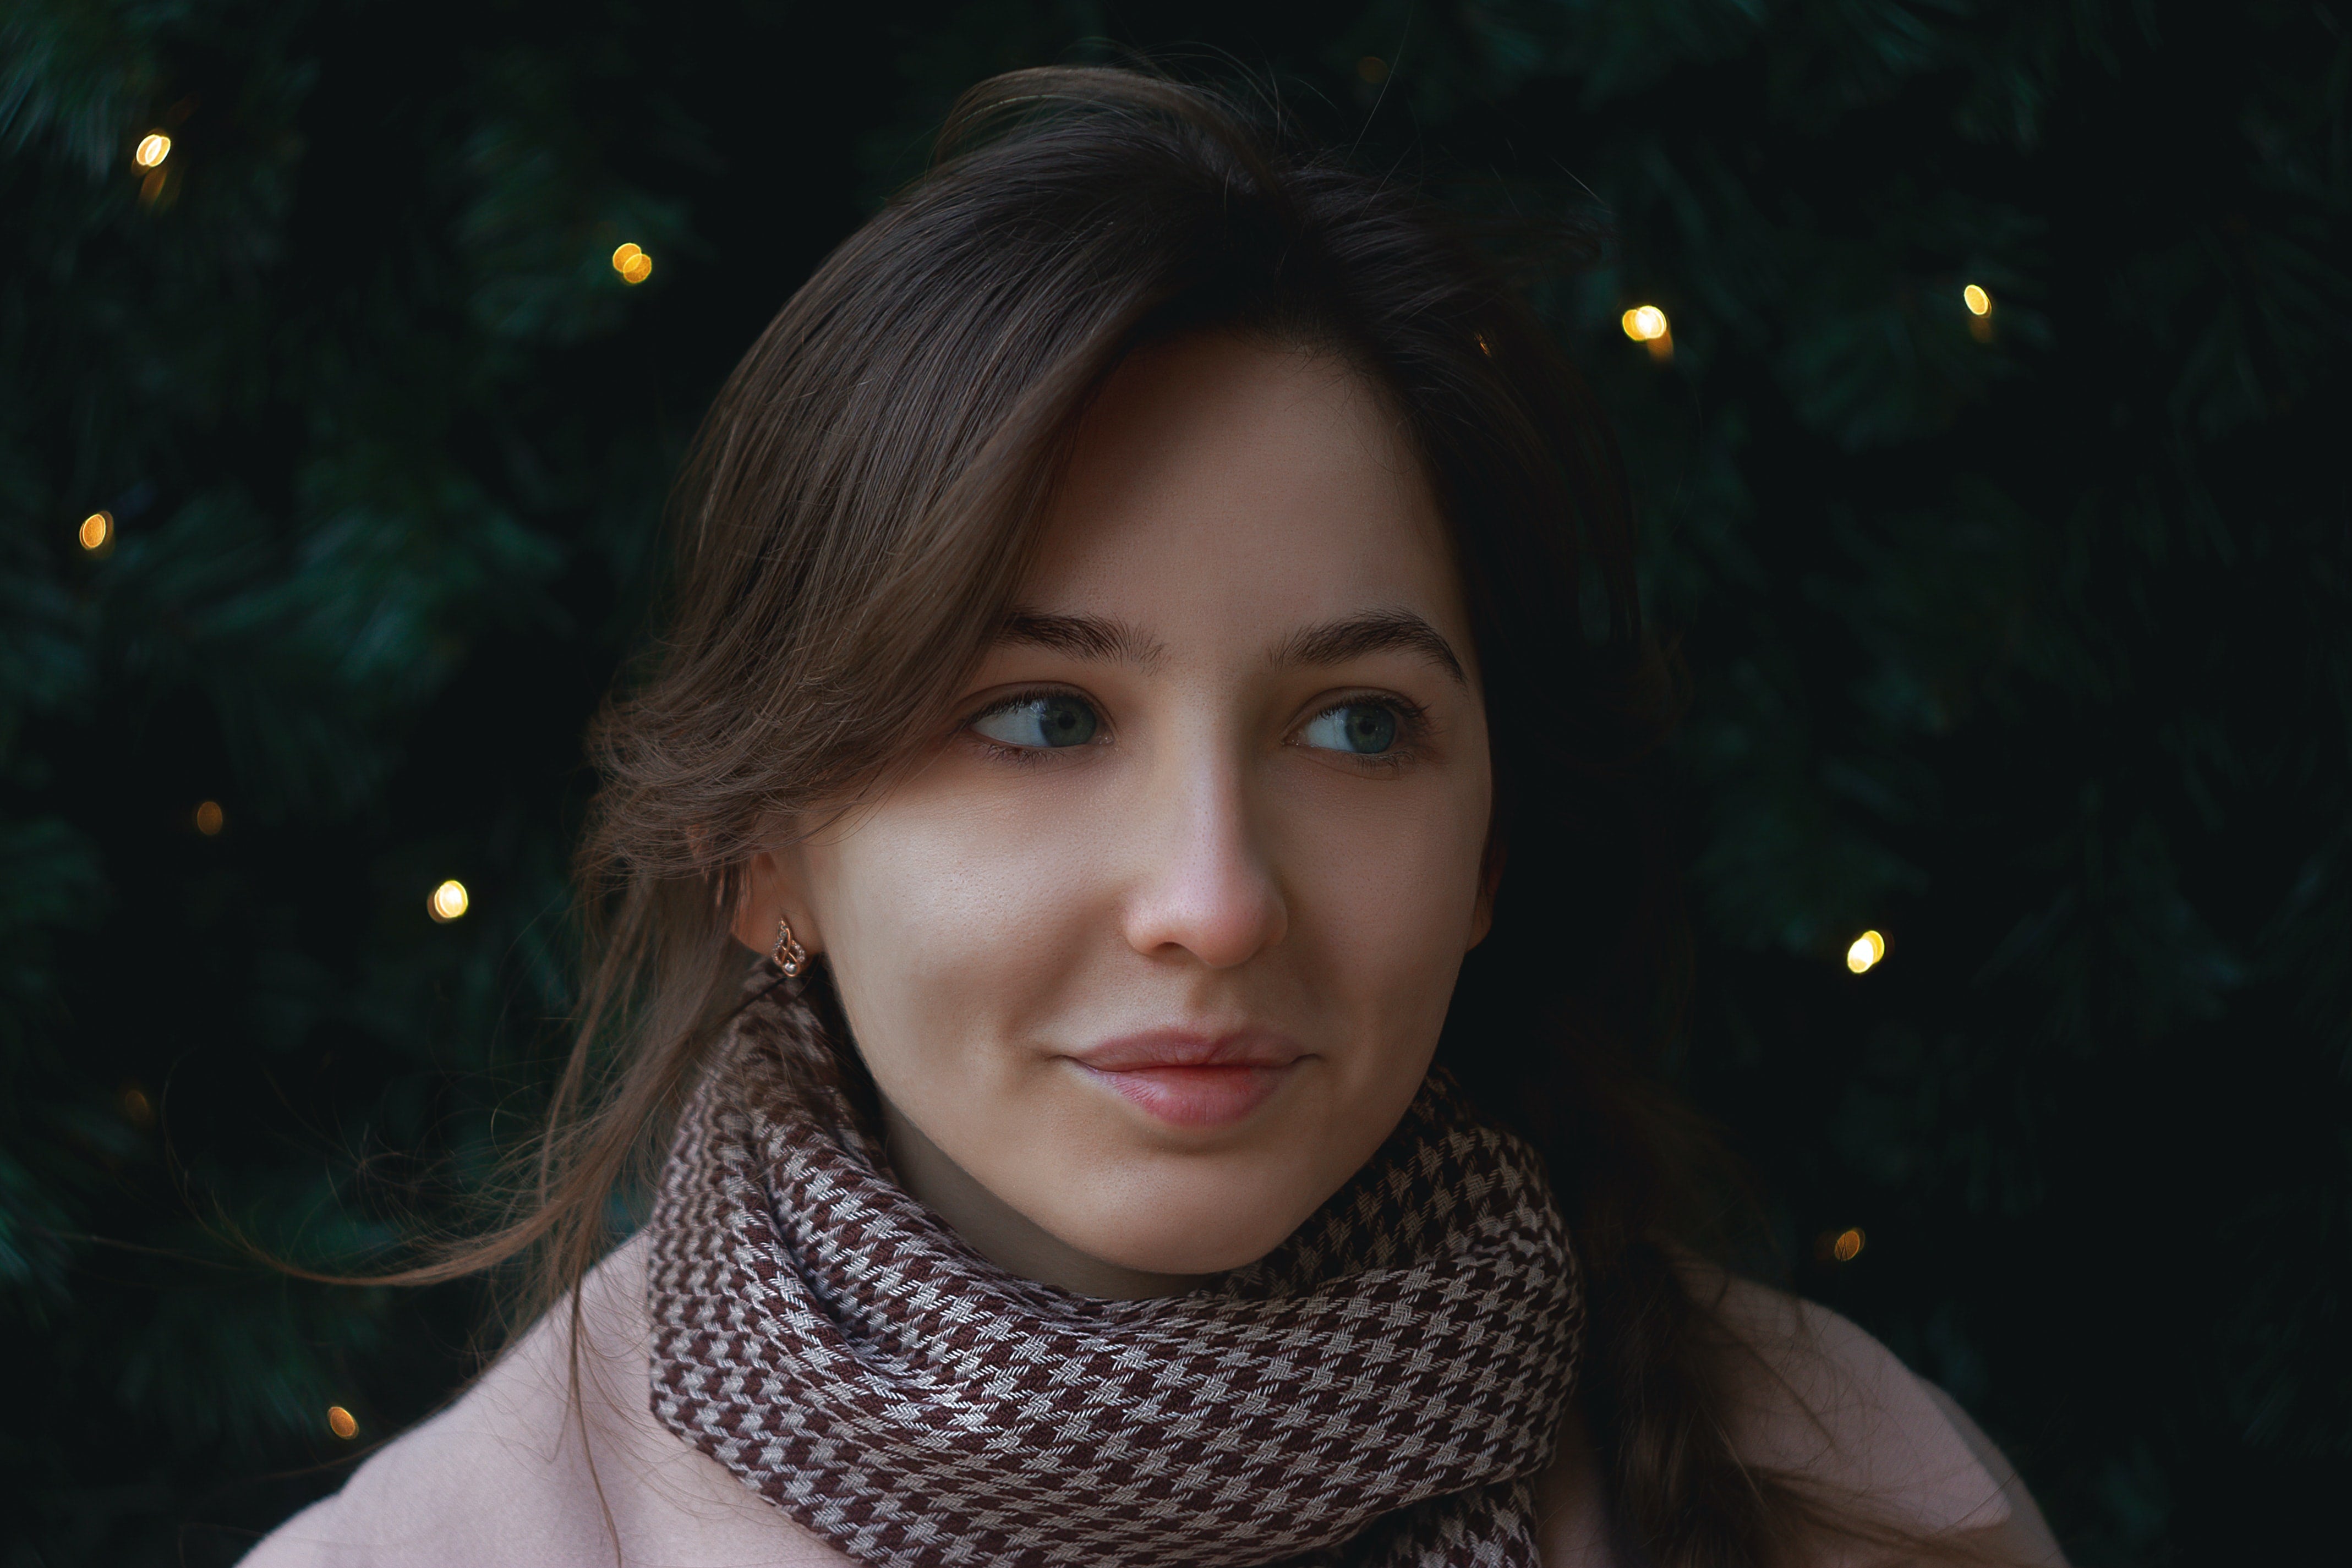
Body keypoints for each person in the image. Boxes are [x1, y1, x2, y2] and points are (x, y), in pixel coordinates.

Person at [244, 67, 2064, 1568]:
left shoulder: (1872, 1510)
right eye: (1041, 717)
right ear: (764, 849)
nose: (1212, 901)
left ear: (1491, 844)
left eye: (1359, 725)